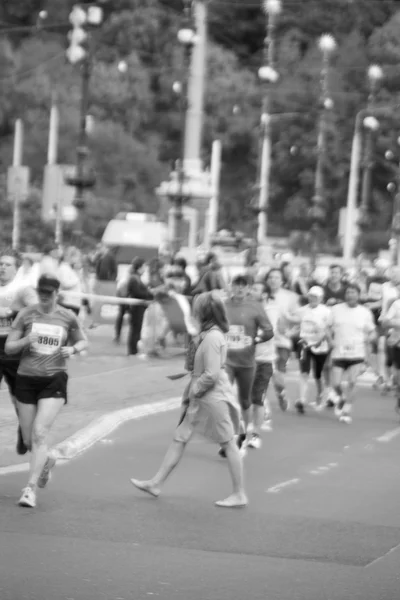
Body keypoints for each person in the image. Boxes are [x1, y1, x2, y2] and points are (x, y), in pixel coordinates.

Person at [130, 291, 247, 508]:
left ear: (204, 312)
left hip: (211, 396)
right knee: (180, 437)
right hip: (203, 394)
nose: (193, 311)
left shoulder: (212, 337)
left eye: (196, 308)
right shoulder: (209, 334)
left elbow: (210, 374)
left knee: (228, 443)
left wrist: (195, 389)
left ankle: (239, 493)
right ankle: (156, 483)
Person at [5, 274, 88, 508]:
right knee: (32, 439)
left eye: (48, 293)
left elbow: (83, 341)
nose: (44, 297)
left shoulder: (67, 316)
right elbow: (10, 347)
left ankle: (29, 489)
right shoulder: (26, 314)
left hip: (54, 379)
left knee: (41, 433)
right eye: (41, 292)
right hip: (26, 378)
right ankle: (48, 459)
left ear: (56, 293)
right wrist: (25, 342)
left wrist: (72, 349)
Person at [225, 274, 273, 445]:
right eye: (236, 285)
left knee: (245, 400)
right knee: (225, 395)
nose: (239, 289)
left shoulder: (255, 307)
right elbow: (210, 325)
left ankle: (247, 428)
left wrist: (256, 339)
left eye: (243, 286)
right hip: (226, 361)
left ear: (248, 288)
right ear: (231, 286)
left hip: (246, 362)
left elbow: (268, 331)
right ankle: (231, 436)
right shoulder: (222, 305)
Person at [0, 249, 38, 454]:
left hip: (14, 347)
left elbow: (36, 308)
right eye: (0, 264)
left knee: (18, 397)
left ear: (16, 269)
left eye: (7, 264)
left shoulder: (22, 289)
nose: (2, 268)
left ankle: (23, 433)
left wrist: (11, 311)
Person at [330, 283, 376, 424]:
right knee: (336, 383)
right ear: (345, 295)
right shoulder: (336, 310)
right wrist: (330, 340)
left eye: (353, 292)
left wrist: (370, 338)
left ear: (358, 295)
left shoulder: (365, 312)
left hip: (357, 353)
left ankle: (346, 410)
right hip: (339, 352)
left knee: (352, 381)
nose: (350, 295)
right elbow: (326, 327)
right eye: (348, 292)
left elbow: (372, 331)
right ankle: (341, 398)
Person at [265, 268, 300, 411]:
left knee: (278, 371)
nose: (273, 280)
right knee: (268, 371)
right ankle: (270, 398)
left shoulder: (290, 297)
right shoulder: (261, 296)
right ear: (267, 280)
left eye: (276, 277)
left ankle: (281, 392)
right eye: (271, 277)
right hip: (264, 341)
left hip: (282, 340)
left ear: (282, 281)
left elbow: (299, 318)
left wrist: (290, 330)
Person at [248, 280, 278, 445]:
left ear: (265, 294)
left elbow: (267, 331)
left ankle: (255, 434)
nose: (252, 291)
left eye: (256, 289)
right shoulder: (246, 309)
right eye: (252, 288)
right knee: (242, 398)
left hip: (264, 359)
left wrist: (250, 338)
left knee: (257, 398)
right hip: (245, 359)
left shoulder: (271, 311)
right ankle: (239, 433)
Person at [295, 286, 332, 414]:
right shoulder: (301, 311)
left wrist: (329, 341)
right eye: (311, 296)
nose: (313, 299)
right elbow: (295, 325)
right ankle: (302, 400)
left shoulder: (327, 312)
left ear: (321, 298)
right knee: (304, 372)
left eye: (316, 297)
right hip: (304, 344)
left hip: (321, 346)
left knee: (319, 374)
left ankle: (324, 396)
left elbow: (329, 330)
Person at [127, 258, 153, 356]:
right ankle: (133, 351)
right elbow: (137, 292)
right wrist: (148, 293)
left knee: (136, 329)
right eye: (144, 266)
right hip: (135, 308)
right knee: (135, 329)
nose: (145, 269)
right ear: (139, 267)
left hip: (138, 308)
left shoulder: (136, 278)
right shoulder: (134, 279)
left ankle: (134, 350)